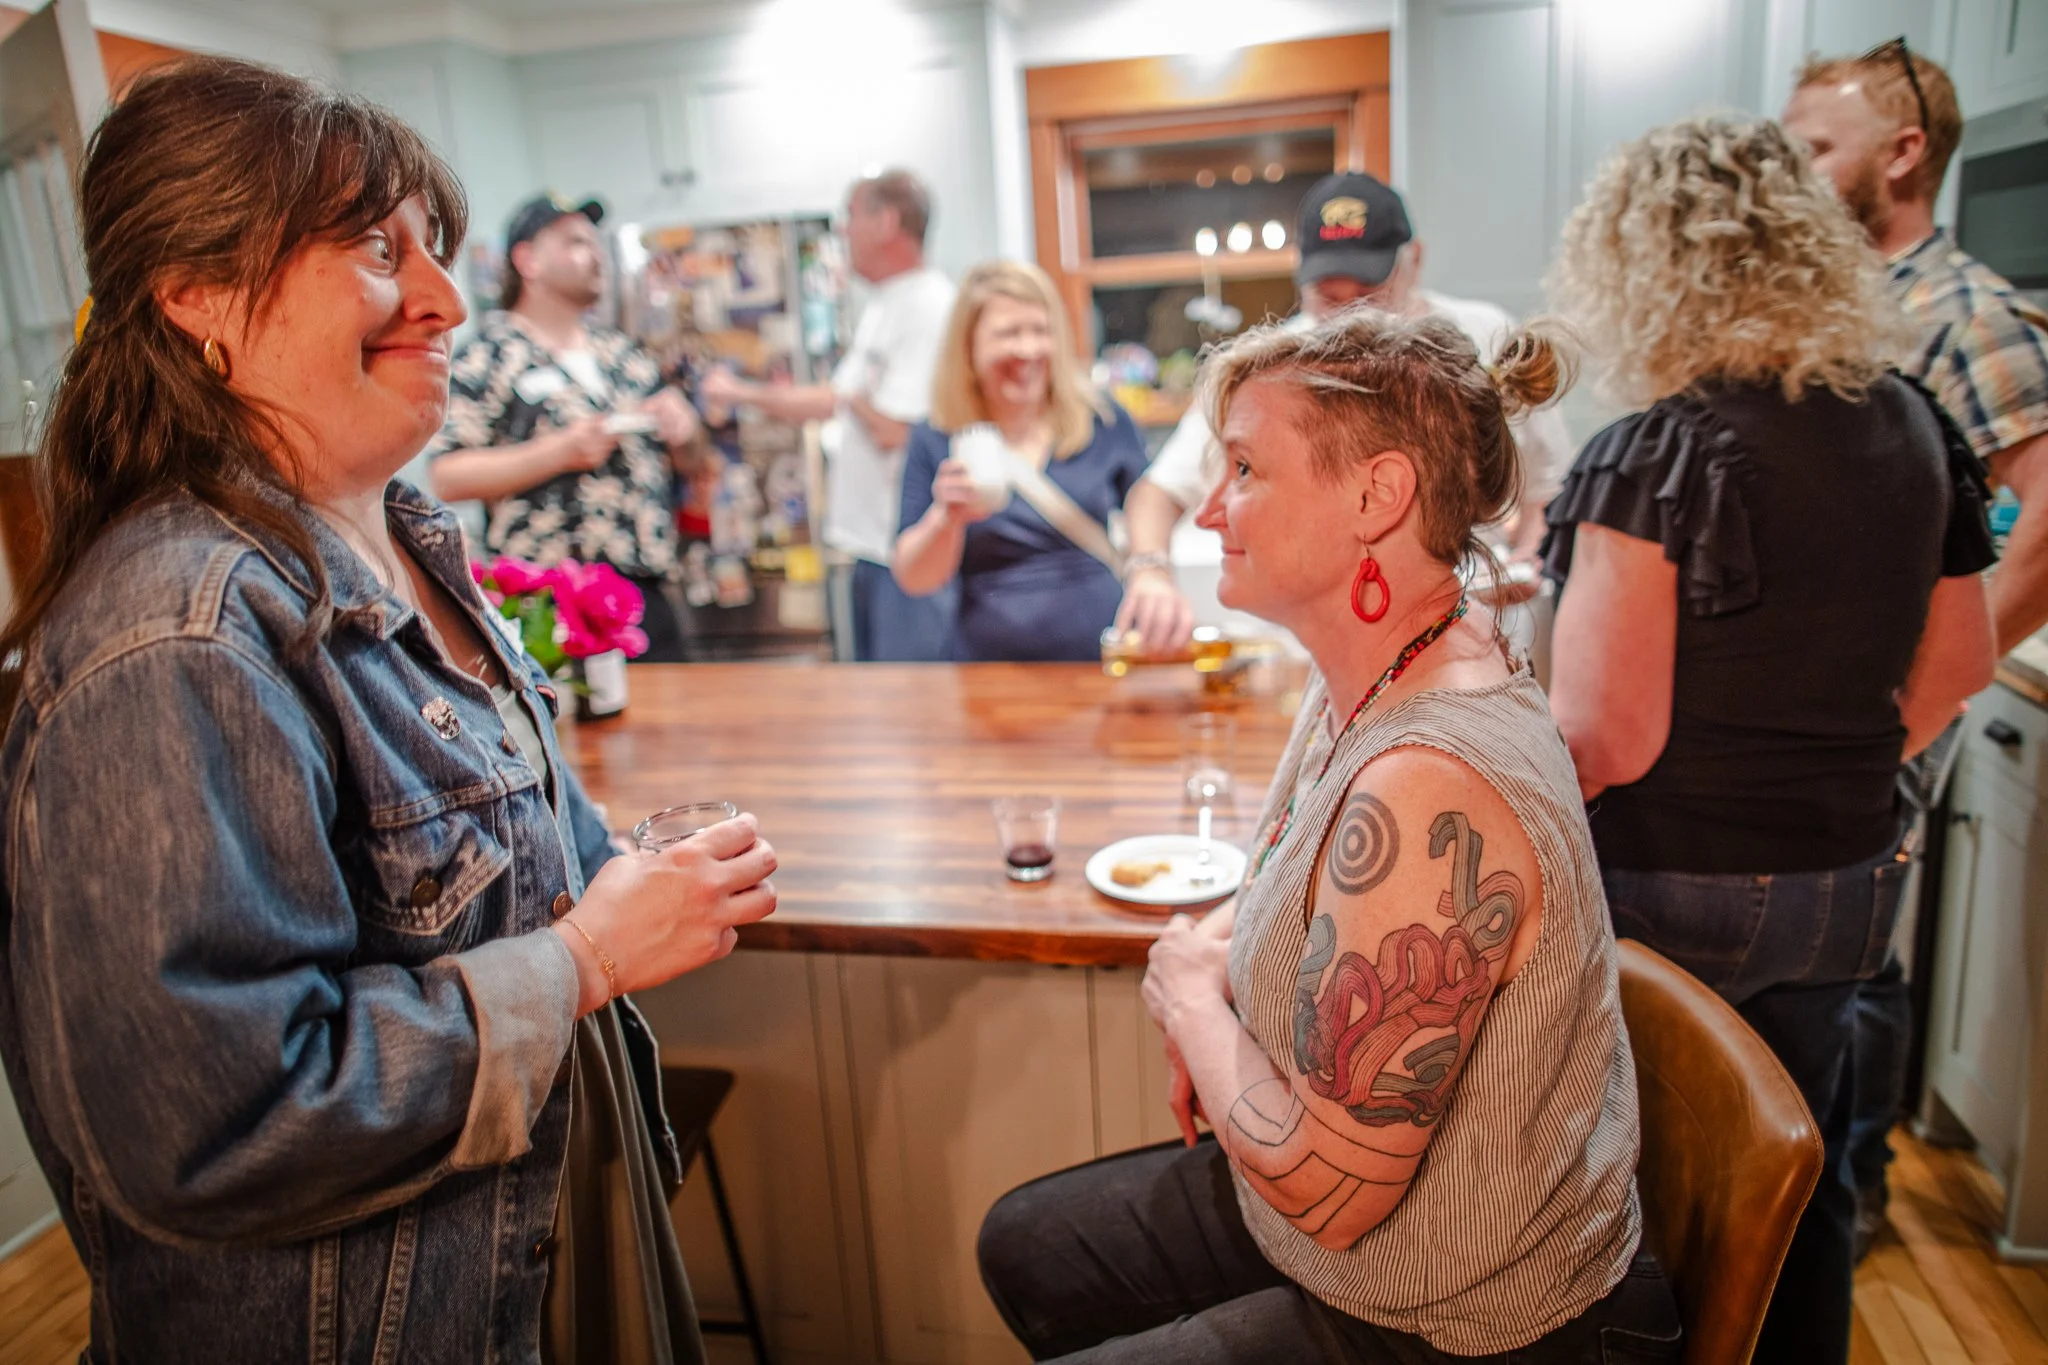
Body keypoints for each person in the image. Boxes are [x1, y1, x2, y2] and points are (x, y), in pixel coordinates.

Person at [0, 58, 779, 1363]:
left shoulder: (403, 542)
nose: (445, 300)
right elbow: (211, 1127)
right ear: (196, 292)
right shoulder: (177, 636)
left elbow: (506, 871)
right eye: (376, 250)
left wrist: (637, 875)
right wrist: (585, 962)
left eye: (435, 250)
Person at [977, 309, 1676, 1362]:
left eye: (1245, 469)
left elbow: (1329, 1190)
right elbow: (1306, 875)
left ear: (1376, 495)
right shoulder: (1392, 653)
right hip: (1351, 1235)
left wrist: (1189, 997)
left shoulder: (1429, 785)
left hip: (1458, 1318)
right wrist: (1213, 947)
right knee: (1024, 1243)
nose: (1209, 510)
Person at [1541, 114, 1997, 1364]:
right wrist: (1833, 764)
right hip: (1845, 879)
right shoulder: (1911, 423)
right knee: (1798, 1173)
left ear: (1642, 267)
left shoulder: (1656, 450)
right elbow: (1962, 663)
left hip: (1673, 881)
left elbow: (1601, 736)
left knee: (1647, 1188)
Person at [1784, 39, 2048, 1255]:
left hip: (1881, 704)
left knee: (1857, 957)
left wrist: (1920, 700)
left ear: (1899, 155)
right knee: (1838, 943)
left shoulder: (1964, 314)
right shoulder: (1833, 301)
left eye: (1812, 148)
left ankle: (1852, 1194)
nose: (1789, 170)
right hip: (1820, 701)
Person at [1114, 171, 1575, 654]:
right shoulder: (1273, 371)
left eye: (1368, 293)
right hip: (1320, 647)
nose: (1352, 318)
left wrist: (1527, 558)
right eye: (1330, 299)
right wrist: (1149, 571)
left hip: (1467, 626)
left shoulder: (1485, 335)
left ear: (1414, 261)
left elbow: (1548, 487)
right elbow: (1159, 492)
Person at [427, 191, 700, 662]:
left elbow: (692, 462)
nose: (595, 254)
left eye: (594, 242)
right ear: (527, 260)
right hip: (549, 608)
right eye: (575, 242)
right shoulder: (489, 356)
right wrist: (559, 452)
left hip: (645, 595)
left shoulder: (624, 354)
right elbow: (447, 476)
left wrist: (687, 428)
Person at [701, 169, 956, 661]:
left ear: (886, 222)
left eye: (850, 216)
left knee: (909, 696)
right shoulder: (887, 303)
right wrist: (740, 393)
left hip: (902, 555)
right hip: (870, 548)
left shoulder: (929, 307)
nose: (842, 230)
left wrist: (850, 397)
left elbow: (897, 432)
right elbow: (831, 399)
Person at [893, 260, 1151, 662]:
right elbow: (915, 578)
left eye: (1040, 331)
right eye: (1008, 333)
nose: (1028, 350)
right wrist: (947, 516)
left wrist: (1151, 570)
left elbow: (1150, 504)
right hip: (988, 672)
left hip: (1102, 661)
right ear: (968, 346)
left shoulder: (1102, 419)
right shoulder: (937, 435)